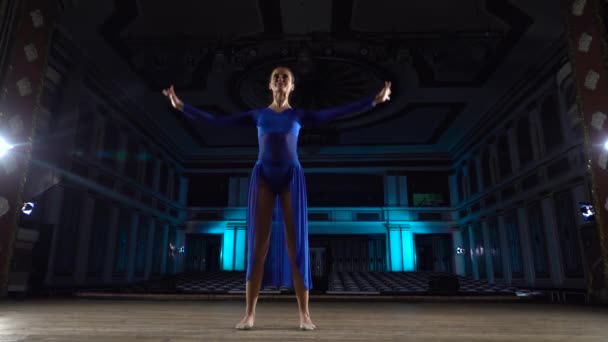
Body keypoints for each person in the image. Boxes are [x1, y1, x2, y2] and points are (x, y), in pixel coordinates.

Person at [163, 67, 391, 330]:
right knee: (258, 246)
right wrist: (182, 107)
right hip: (263, 176)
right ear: (270, 85)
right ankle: (249, 314)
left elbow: (338, 112)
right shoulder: (258, 114)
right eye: (276, 77)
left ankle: (305, 315)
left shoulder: (299, 115)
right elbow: (217, 121)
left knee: (297, 247)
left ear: (292, 86)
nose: (281, 80)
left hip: (291, 176)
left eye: (286, 77)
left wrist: (373, 101)